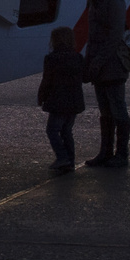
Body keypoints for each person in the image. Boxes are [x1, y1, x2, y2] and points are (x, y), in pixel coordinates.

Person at [81, 0, 130, 167]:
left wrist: (97, 61)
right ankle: (107, 152)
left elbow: (114, 36)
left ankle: (120, 153)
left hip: (111, 65)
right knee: (106, 111)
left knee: (117, 110)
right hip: (101, 64)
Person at [37, 25, 85, 174]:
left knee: (52, 130)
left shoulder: (51, 58)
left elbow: (47, 80)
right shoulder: (78, 57)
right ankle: (70, 160)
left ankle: (62, 157)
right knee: (67, 131)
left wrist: (41, 96)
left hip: (58, 100)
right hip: (75, 100)